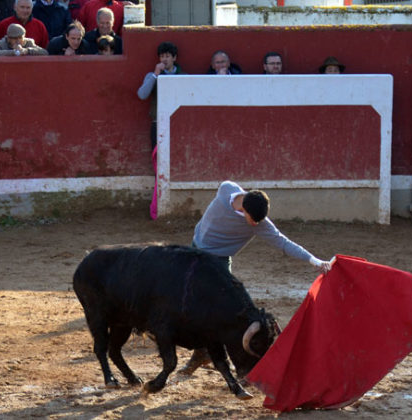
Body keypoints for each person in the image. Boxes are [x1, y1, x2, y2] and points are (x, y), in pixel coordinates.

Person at [179, 180, 333, 375]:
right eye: (253, 219)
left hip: (217, 263)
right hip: (194, 250)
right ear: (243, 208)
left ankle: (237, 360)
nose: (256, 224)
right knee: (187, 304)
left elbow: (283, 243)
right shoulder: (226, 189)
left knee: (221, 311)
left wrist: (315, 261)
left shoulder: (259, 224)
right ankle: (202, 352)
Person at [137, 41, 185, 220]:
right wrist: (156, 75)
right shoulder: (153, 75)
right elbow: (142, 94)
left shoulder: (183, 76)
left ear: (174, 58)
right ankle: (159, 203)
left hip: (178, 126)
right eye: (162, 56)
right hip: (158, 124)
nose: (164, 60)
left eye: (168, 56)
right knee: (159, 164)